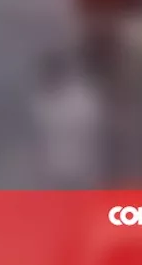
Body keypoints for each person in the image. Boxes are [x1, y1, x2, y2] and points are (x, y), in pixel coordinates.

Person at [31, 52, 104, 189]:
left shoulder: (83, 99)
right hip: (52, 171)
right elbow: (39, 138)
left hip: (81, 170)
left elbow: (94, 135)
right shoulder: (42, 101)